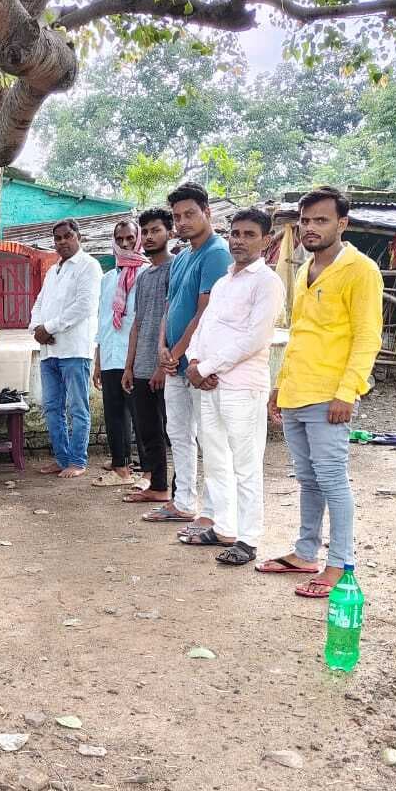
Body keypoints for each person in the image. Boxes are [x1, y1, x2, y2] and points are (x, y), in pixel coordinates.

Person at [257, 186, 383, 597]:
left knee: (332, 480)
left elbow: (367, 338)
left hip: (330, 395)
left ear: (342, 224)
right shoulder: (301, 268)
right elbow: (300, 335)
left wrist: (348, 392)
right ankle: (305, 552)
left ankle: (341, 565)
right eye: (306, 221)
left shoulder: (360, 270)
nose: (311, 228)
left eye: (321, 220)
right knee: (308, 480)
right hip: (297, 391)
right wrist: (280, 385)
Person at [182, 207, 285, 566]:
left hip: (242, 387)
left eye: (249, 234)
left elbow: (254, 338)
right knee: (215, 460)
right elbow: (204, 328)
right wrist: (194, 363)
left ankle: (248, 539)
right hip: (209, 385)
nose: (239, 240)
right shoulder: (224, 282)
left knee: (245, 464)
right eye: (235, 233)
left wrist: (207, 366)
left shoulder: (267, 282)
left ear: (266, 241)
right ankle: (224, 527)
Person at [152, 182, 231, 530]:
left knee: (210, 438)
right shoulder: (182, 256)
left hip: (201, 363)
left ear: (207, 213)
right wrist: (162, 349)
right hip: (174, 363)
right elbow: (169, 307)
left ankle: (213, 512)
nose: (182, 222)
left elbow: (206, 309)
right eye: (177, 216)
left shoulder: (217, 252)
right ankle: (183, 501)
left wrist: (180, 351)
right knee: (179, 433)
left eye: (189, 214)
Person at [29, 218, 103, 479]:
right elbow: (38, 302)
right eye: (57, 238)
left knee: (77, 408)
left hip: (74, 349)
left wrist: (49, 327)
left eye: (67, 236)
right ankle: (61, 458)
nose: (62, 242)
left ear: (78, 237)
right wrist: (37, 328)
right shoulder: (53, 271)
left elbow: (84, 306)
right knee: (52, 407)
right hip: (49, 351)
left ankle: (77, 461)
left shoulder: (89, 267)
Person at [124, 208, 175, 508]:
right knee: (148, 430)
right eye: (147, 232)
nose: (150, 237)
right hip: (141, 366)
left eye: (156, 230)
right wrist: (129, 366)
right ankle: (157, 486)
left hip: (167, 366)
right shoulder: (143, 277)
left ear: (169, 232)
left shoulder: (177, 268)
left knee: (176, 431)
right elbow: (138, 322)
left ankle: (180, 492)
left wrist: (161, 366)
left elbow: (173, 317)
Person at [92, 219, 145, 487]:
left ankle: (148, 473)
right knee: (114, 413)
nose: (124, 244)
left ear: (138, 239)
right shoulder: (108, 278)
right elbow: (103, 320)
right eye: (120, 239)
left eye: (129, 238)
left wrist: (135, 360)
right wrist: (98, 360)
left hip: (135, 357)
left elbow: (143, 319)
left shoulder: (146, 274)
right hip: (112, 354)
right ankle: (121, 468)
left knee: (141, 414)